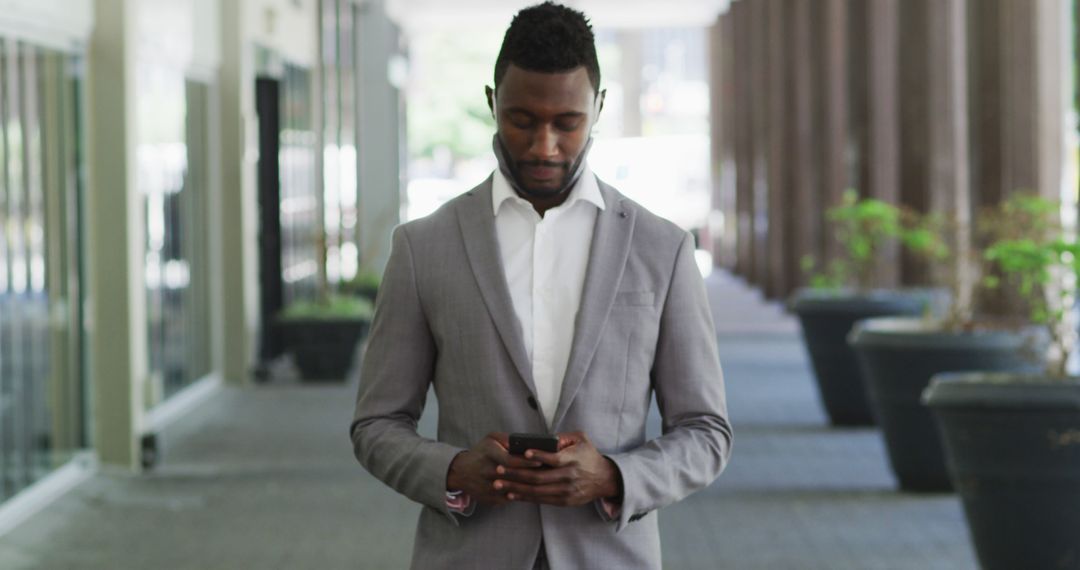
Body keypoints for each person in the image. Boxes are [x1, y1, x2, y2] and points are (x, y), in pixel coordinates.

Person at [349, 3, 732, 568]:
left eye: (567, 123)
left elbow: (705, 431)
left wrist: (614, 476)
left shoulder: (663, 249)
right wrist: (453, 471)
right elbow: (376, 423)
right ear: (491, 103)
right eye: (522, 120)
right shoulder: (422, 248)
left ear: (598, 108)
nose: (543, 146)